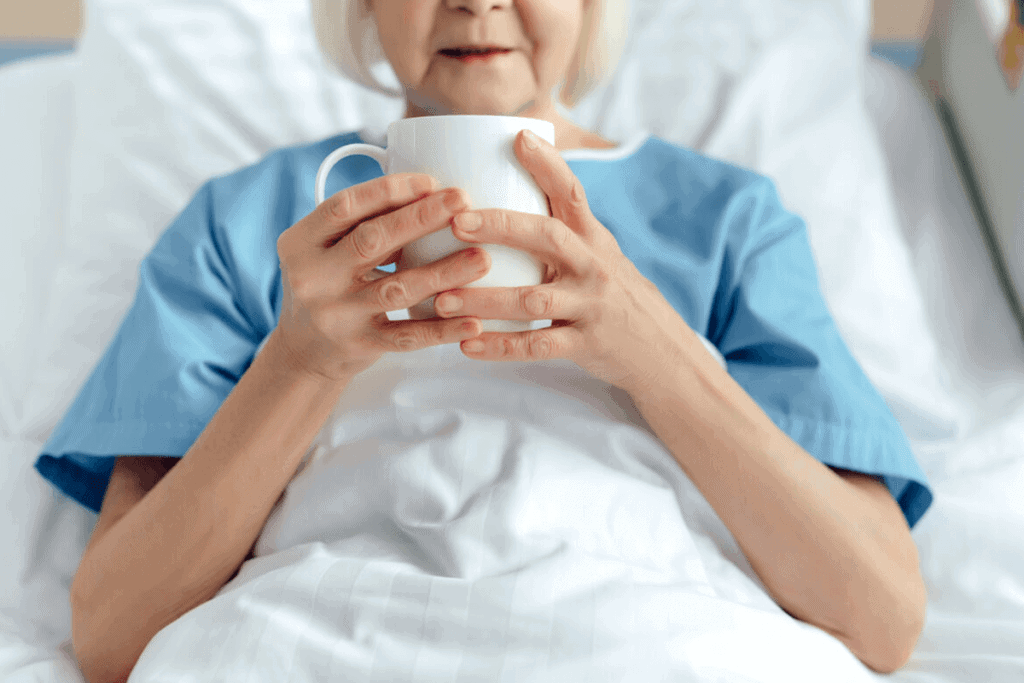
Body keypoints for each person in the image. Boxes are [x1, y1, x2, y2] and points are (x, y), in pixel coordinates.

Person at [34, 0, 932, 680]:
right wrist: (303, 360)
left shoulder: (732, 222)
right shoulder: (246, 224)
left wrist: (646, 345)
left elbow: (883, 614)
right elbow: (114, 631)